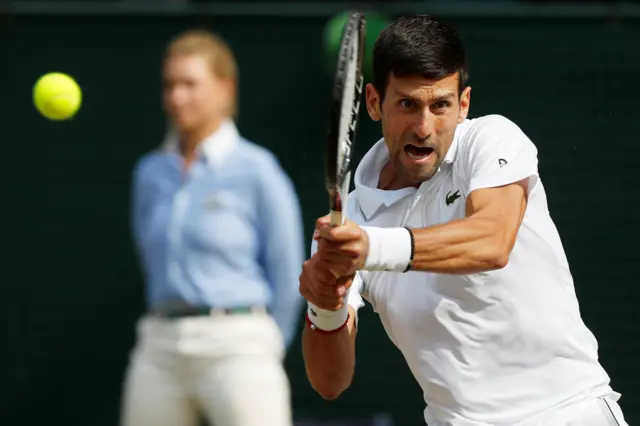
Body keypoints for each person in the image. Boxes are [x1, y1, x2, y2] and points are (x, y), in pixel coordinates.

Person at [299, 14, 628, 426]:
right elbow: (330, 381)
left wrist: (372, 247)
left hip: (566, 413)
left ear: (464, 104)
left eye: (441, 105)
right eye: (407, 104)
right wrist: (325, 307)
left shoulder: (492, 140)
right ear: (372, 102)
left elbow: (491, 241)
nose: (424, 127)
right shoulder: (349, 220)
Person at [122, 29, 304, 426]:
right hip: (159, 343)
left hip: (238, 344)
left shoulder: (258, 170)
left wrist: (266, 342)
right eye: (170, 85)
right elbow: (149, 257)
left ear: (225, 88)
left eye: (190, 84)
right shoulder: (149, 172)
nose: (176, 97)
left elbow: (289, 269)